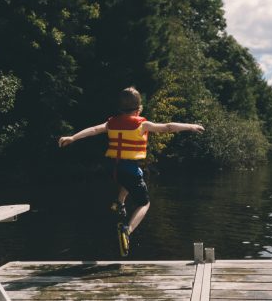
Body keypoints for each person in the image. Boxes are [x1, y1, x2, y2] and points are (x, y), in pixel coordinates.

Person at [58, 86, 204, 256]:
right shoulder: (142, 124)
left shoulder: (111, 122)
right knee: (144, 203)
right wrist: (190, 126)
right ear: (138, 107)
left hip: (112, 168)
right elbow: (168, 127)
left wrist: (72, 137)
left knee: (131, 178)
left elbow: (93, 130)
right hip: (129, 168)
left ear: (120, 107)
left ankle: (119, 203)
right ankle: (128, 230)